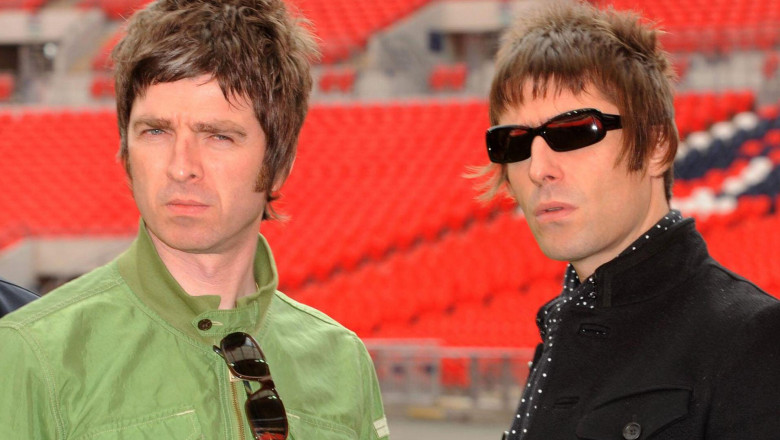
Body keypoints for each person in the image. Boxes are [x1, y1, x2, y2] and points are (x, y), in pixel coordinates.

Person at [0, 0, 389, 438]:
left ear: (280, 162)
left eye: (218, 136)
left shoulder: (342, 360)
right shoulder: (34, 351)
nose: (181, 166)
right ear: (126, 152)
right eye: (156, 131)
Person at [475, 2, 780, 439]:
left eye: (575, 130)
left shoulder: (753, 340)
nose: (538, 167)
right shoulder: (559, 332)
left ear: (657, 145)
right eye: (514, 142)